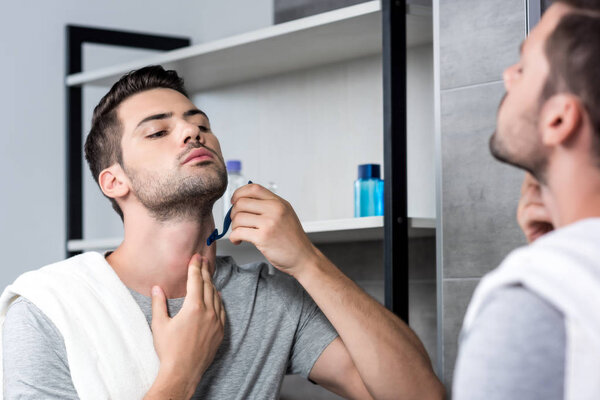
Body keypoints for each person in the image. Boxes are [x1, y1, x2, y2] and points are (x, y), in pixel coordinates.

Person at [0, 66, 444, 400]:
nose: (193, 131)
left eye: (201, 124)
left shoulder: (270, 299)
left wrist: (308, 261)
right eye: (158, 131)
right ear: (115, 182)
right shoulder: (48, 311)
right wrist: (181, 372)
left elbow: (420, 395)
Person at [453, 1, 600, 399]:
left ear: (559, 120)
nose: (507, 76)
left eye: (523, 66)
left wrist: (551, 262)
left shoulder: (532, 302)